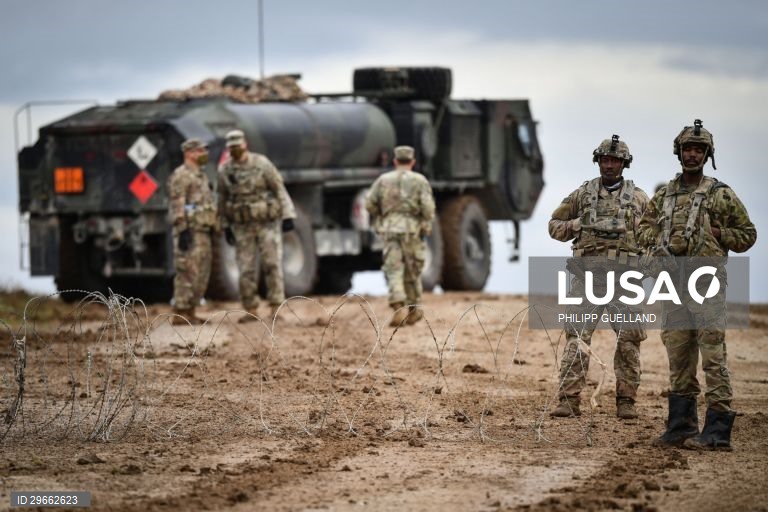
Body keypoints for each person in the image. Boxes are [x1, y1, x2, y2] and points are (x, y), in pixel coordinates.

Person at [639, 119, 756, 450]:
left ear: (707, 154)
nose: (692, 155)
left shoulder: (720, 195)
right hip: (672, 283)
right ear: (678, 152)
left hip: (706, 284)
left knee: (712, 355)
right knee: (678, 353)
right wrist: (660, 240)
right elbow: (642, 231)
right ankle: (681, 426)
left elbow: (748, 235)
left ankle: (717, 432)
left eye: (698, 150)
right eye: (687, 149)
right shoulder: (664, 196)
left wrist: (719, 235)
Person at [548, 135, 649, 419]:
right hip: (587, 280)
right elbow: (554, 226)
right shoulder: (581, 195)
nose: (609, 165)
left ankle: (626, 402)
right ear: (598, 162)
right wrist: (578, 224)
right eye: (605, 160)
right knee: (576, 338)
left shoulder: (639, 198)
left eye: (615, 161)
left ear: (624, 164)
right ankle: (568, 400)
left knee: (629, 340)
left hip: (625, 283)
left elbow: (655, 234)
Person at [217, 129, 296, 322]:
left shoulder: (262, 164)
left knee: (272, 264)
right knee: (246, 268)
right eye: (232, 147)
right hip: (243, 226)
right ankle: (250, 308)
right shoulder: (225, 170)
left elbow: (279, 189)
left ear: (245, 144)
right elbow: (221, 199)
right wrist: (225, 225)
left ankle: (276, 307)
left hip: (266, 223)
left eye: (238, 145)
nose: (235, 150)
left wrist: (288, 215)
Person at [365, 145, 436, 327]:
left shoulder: (383, 180)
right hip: (412, 230)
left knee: (393, 268)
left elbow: (369, 204)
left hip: (390, 229)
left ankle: (398, 307)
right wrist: (422, 221)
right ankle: (414, 308)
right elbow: (428, 210)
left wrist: (383, 215)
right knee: (413, 269)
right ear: (412, 162)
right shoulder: (420, 181)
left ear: (395, 161)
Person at [167, 138, 217, 325]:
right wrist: (183, 230)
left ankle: (191, 310)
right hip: (189, 232)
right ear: (189, 153)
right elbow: (177, 204)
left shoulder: (201, 175)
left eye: (204, 150)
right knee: (186, 271)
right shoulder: (181, 175)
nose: (204, 154)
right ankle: (180, 313)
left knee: (201, 272)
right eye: (199, 151)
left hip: (203, 230)